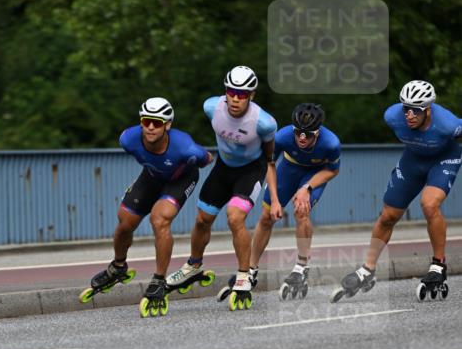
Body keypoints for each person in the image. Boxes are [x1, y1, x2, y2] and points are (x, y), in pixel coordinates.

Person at [332, 80, 462, 303]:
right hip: (413, 161)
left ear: (428, 109)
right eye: (406, 108)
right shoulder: (392, 116)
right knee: (388, 216)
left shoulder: (449, 125)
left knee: (429, 204)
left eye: (416, 110)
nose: (409, 115)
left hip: (443, 159)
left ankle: (438, 265)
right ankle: (368, 269)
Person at [80, 97, 213, 315]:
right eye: (146, 121)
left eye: (157, 123)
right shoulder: (128, 139)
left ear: (168, 125)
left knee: (159, 220)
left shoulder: (185, 147)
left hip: (180, 180)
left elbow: (207, 158)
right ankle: (118, 267)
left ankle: (159, 280)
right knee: (124, 222)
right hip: (151, 176)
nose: (150, 127)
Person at [166, 66, 279, 310]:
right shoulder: (210, 107)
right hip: (223, 168)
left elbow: (270, 158)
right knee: (201, 220)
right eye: (231, 91)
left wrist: (274, 194)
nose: (236, 98)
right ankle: (193, 266)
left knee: (235, 218)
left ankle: (243, 274)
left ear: (252, 95)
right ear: (225, 91)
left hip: (250, 170)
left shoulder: (264, 123)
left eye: (242, 94)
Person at [246, 103, 341, 299]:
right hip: (288, 169)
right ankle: (250, 269)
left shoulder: (331, 143)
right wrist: (274, 200)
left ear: (318, 132)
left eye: (308, 134)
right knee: (266, 216)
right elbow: (270, 165)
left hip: (315, 173)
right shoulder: (282, 136)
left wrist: (307, 188)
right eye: (298, 132)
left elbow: (333, 170)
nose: (302, 138)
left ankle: (301, 266)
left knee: (301, 210)